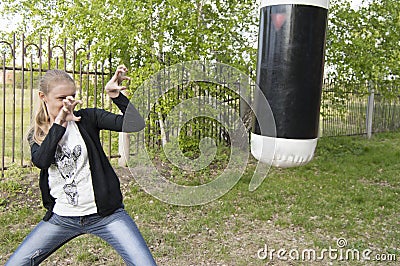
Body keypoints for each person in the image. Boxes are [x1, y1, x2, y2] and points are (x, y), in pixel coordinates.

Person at [6, 66, 157, 266]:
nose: (68, 103)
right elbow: (42, 161)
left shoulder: (88, 118)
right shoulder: (38, 133)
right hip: (62, 218)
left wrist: (116, 96)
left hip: (106, 216)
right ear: (43, 96)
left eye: (72, 96)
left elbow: (134, 124)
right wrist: (59, 123)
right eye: (61, 98)